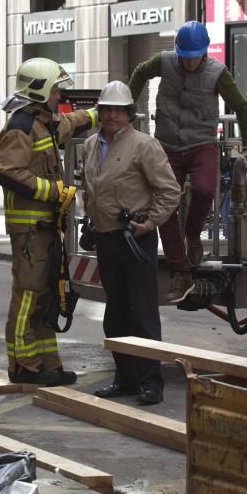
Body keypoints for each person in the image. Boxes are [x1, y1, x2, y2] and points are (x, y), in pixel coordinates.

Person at [128, 20, 247, 303]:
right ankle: (181, 273)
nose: (188, 63)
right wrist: (130, 110)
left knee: (204, 189)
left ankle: (192, 233)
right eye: (184, 58)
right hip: (166, 145)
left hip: (201, 143)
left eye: (193, 58)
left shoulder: (217, 73)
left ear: (203, 53)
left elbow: (241, 107)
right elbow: (140, 72)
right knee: (164, 208)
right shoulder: (164, 62)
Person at [0, 58, 97, 386]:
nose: (59, 95)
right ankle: (22, 365)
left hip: (44, 228)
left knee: (44, 297)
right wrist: (54, 191)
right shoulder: (21, 127)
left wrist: (102, 111)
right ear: (39, 90)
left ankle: (46, 364)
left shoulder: (44, 123)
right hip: (29, 230)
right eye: (55, 88)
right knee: (27, 296)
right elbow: (9, 172)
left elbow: (71, 123)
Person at [80, 81, 181, 405]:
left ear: (128, 114)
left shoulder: (144, 146)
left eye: (117, 110)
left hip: (135, 240)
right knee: (116, 314)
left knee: (143, 314)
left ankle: (152, 384)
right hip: (107, 239)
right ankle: (124, 379)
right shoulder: (90, 145)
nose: (111, 115)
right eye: (106, 109)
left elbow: (170, 191)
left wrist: (149, 223)